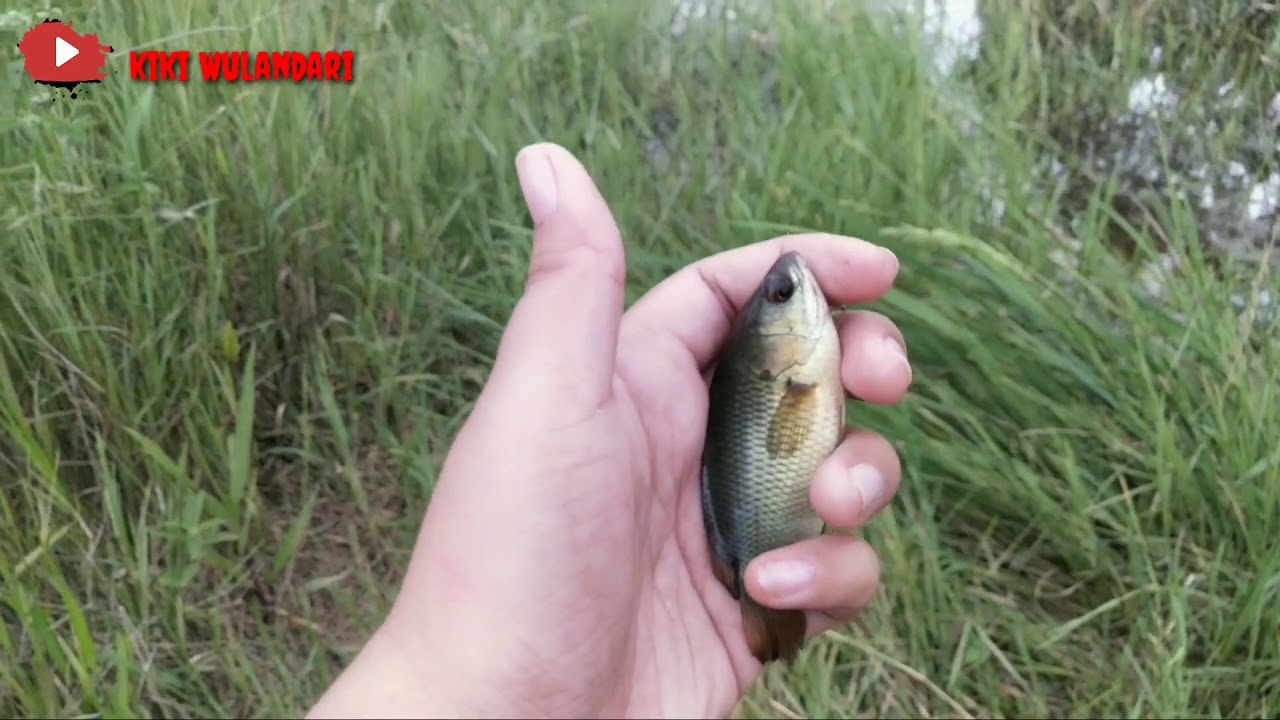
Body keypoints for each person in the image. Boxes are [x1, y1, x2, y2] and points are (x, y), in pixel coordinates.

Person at [305, 143, 912, 719]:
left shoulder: (792, 375)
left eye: (779, 294)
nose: (792, 285)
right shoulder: (786, 375)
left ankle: (764, 600)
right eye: (782, 295)